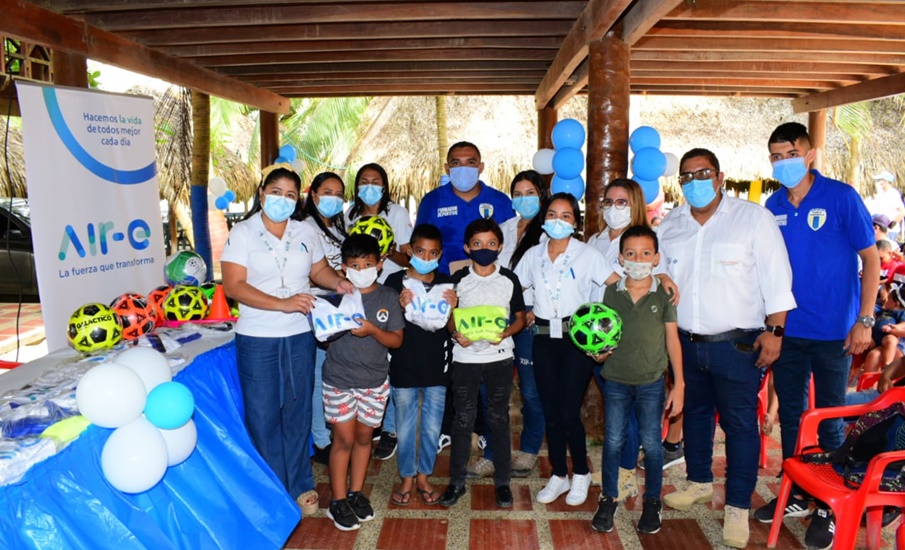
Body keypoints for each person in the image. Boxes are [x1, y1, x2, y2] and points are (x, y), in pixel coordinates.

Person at [658, 148, 796, 549]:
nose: (694, 182)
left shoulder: (752, 219)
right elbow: (658, 268)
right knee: (695, 415)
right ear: (679, 183)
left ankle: (736, 505)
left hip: (737, 344)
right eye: (686, 176)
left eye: (703, 174)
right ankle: (699, 481)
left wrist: (776, 332)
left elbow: (777, 280)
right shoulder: (672, 224)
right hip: (685, 344)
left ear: (719, 177)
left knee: (738, 424)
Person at [755, 122, 880, 550]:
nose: (781, 161)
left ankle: (829, 504)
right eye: (774, 155)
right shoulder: (771, 205)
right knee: (792, 416)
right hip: (787, 331)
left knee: (829, 418)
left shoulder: (842, 197)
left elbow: (871, 259)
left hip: (834, 332)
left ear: (808, 153)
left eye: (789, 152)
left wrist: (865, 320)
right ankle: (798, 493)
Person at [220, 163, 354, 520]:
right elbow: (233, 286)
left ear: (299, 201)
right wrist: (282, 303)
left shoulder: (304, 232)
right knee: (263, 415)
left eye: (291, 195)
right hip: (258, 336)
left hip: (299, 335)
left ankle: (299, 483)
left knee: (297, 411)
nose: (282, 199)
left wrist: (339, 282)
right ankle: (272, 486)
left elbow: (318, 271)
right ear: (262, 194)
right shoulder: (242, 233)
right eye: (275, 192)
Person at [587, 179, 685, 492]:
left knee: (630, 417)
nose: (614, 208)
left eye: (623, 202)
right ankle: (619, 471)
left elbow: (657, 282)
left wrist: (665, 275)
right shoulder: (595, 240)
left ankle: (626, 472)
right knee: (615, 411)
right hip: (598, 341)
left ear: (637, 205)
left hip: (636, 347)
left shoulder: (648, 241)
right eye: (609, 201)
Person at [515, 193, 611, 507]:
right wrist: (527, 308)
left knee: (568, 411)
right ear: (544, 219)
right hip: (542, 339)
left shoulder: (589, 254)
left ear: (576, 222)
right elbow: (516, 289)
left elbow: (617, 284)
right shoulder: (533, 254)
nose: (558, 221)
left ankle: (581, 471)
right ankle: (559, 473)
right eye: (553, 214)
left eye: (566, 216)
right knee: (550, 410)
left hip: (576, 340)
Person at [439, 218, 527, 509]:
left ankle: (502, 483)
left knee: (499, 420)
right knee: (462, 421)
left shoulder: (509, 279)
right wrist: (454, 333)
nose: (484, 249)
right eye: (477, 244)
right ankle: (456, 483)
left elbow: (520, 318)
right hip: (465, 359)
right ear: (467, 247)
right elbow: (449, 315)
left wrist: (505, 333)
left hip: (500, 359)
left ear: (500, 247)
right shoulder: (458, 280)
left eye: (491, 243)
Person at [468, 170, 548, 481]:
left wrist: (533, 311)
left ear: (541, 195)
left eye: (531, 192)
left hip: (530, 318)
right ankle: (492, 453)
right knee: (491, 390)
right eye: (518, 193)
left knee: (530, 391)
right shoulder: (502, 230)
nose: (524, 199)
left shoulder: (549, 233)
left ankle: (528, 450)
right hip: (495, 316)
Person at [322, 233, 405, 531]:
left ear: (380, 265)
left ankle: (356, 493)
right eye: (354, 264)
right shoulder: (336, 297)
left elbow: (396, 340)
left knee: (364, 439)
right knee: (342, 440)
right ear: (343, 267)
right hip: (339, 381)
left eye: (367, 263)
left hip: (374, 382)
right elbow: (323, 336)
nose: (361, 269)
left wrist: (371, 330)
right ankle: (337, 500)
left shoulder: (387, 297)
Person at [345, 163, 413, 462]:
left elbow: (407, 255)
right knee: (364, 355)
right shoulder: (348, 214)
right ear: (356, 186)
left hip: (387, 287)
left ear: (385, 185)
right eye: (363, 181)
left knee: (391, 357)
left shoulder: (396, 213)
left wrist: (386, 253)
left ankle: (390, 429)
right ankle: (365, 421)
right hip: (357, 292)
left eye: (375, 181)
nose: (369, 186)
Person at [384, 224, 457, 506]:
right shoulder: (393, 283)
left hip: (437, 365)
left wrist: (454, 307)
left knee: (431, 427)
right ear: (410, 251)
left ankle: (424, 476)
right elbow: (387, 324)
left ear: (440, 254)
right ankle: (406, 478)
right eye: (420, 251)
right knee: (404, 426)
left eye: (433, 252)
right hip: (402, 364)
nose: (426, 257)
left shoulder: (446, 282)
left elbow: (452, 329)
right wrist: (399, 307)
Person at [302, 172, 350, 465]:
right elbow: (311, 270)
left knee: (333, 376)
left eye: (339, 193)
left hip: (339, 310)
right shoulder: (304, 227)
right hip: (316, 312)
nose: (334, 198)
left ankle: (329, 432)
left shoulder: (338, 229)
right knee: (319, 378)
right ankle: (320, 440)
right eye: (327, 191)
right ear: (314, 195)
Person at [415, 141, 514, 275]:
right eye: (456, 163)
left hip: (491, 282)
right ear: (447, 168)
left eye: (470, 162)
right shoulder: (432, 201)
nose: (463, 168)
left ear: (481, 167)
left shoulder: (500, 201)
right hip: (444, 283)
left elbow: (512, 243)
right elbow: (420, 244)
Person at [867, 171, 905, 242]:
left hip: (889, 231)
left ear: (885, 181)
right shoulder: (881, 194)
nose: (878, 183)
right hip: (880, 228)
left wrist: (892, 224)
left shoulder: (893, 194)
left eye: (880, 180)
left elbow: (902, 211)